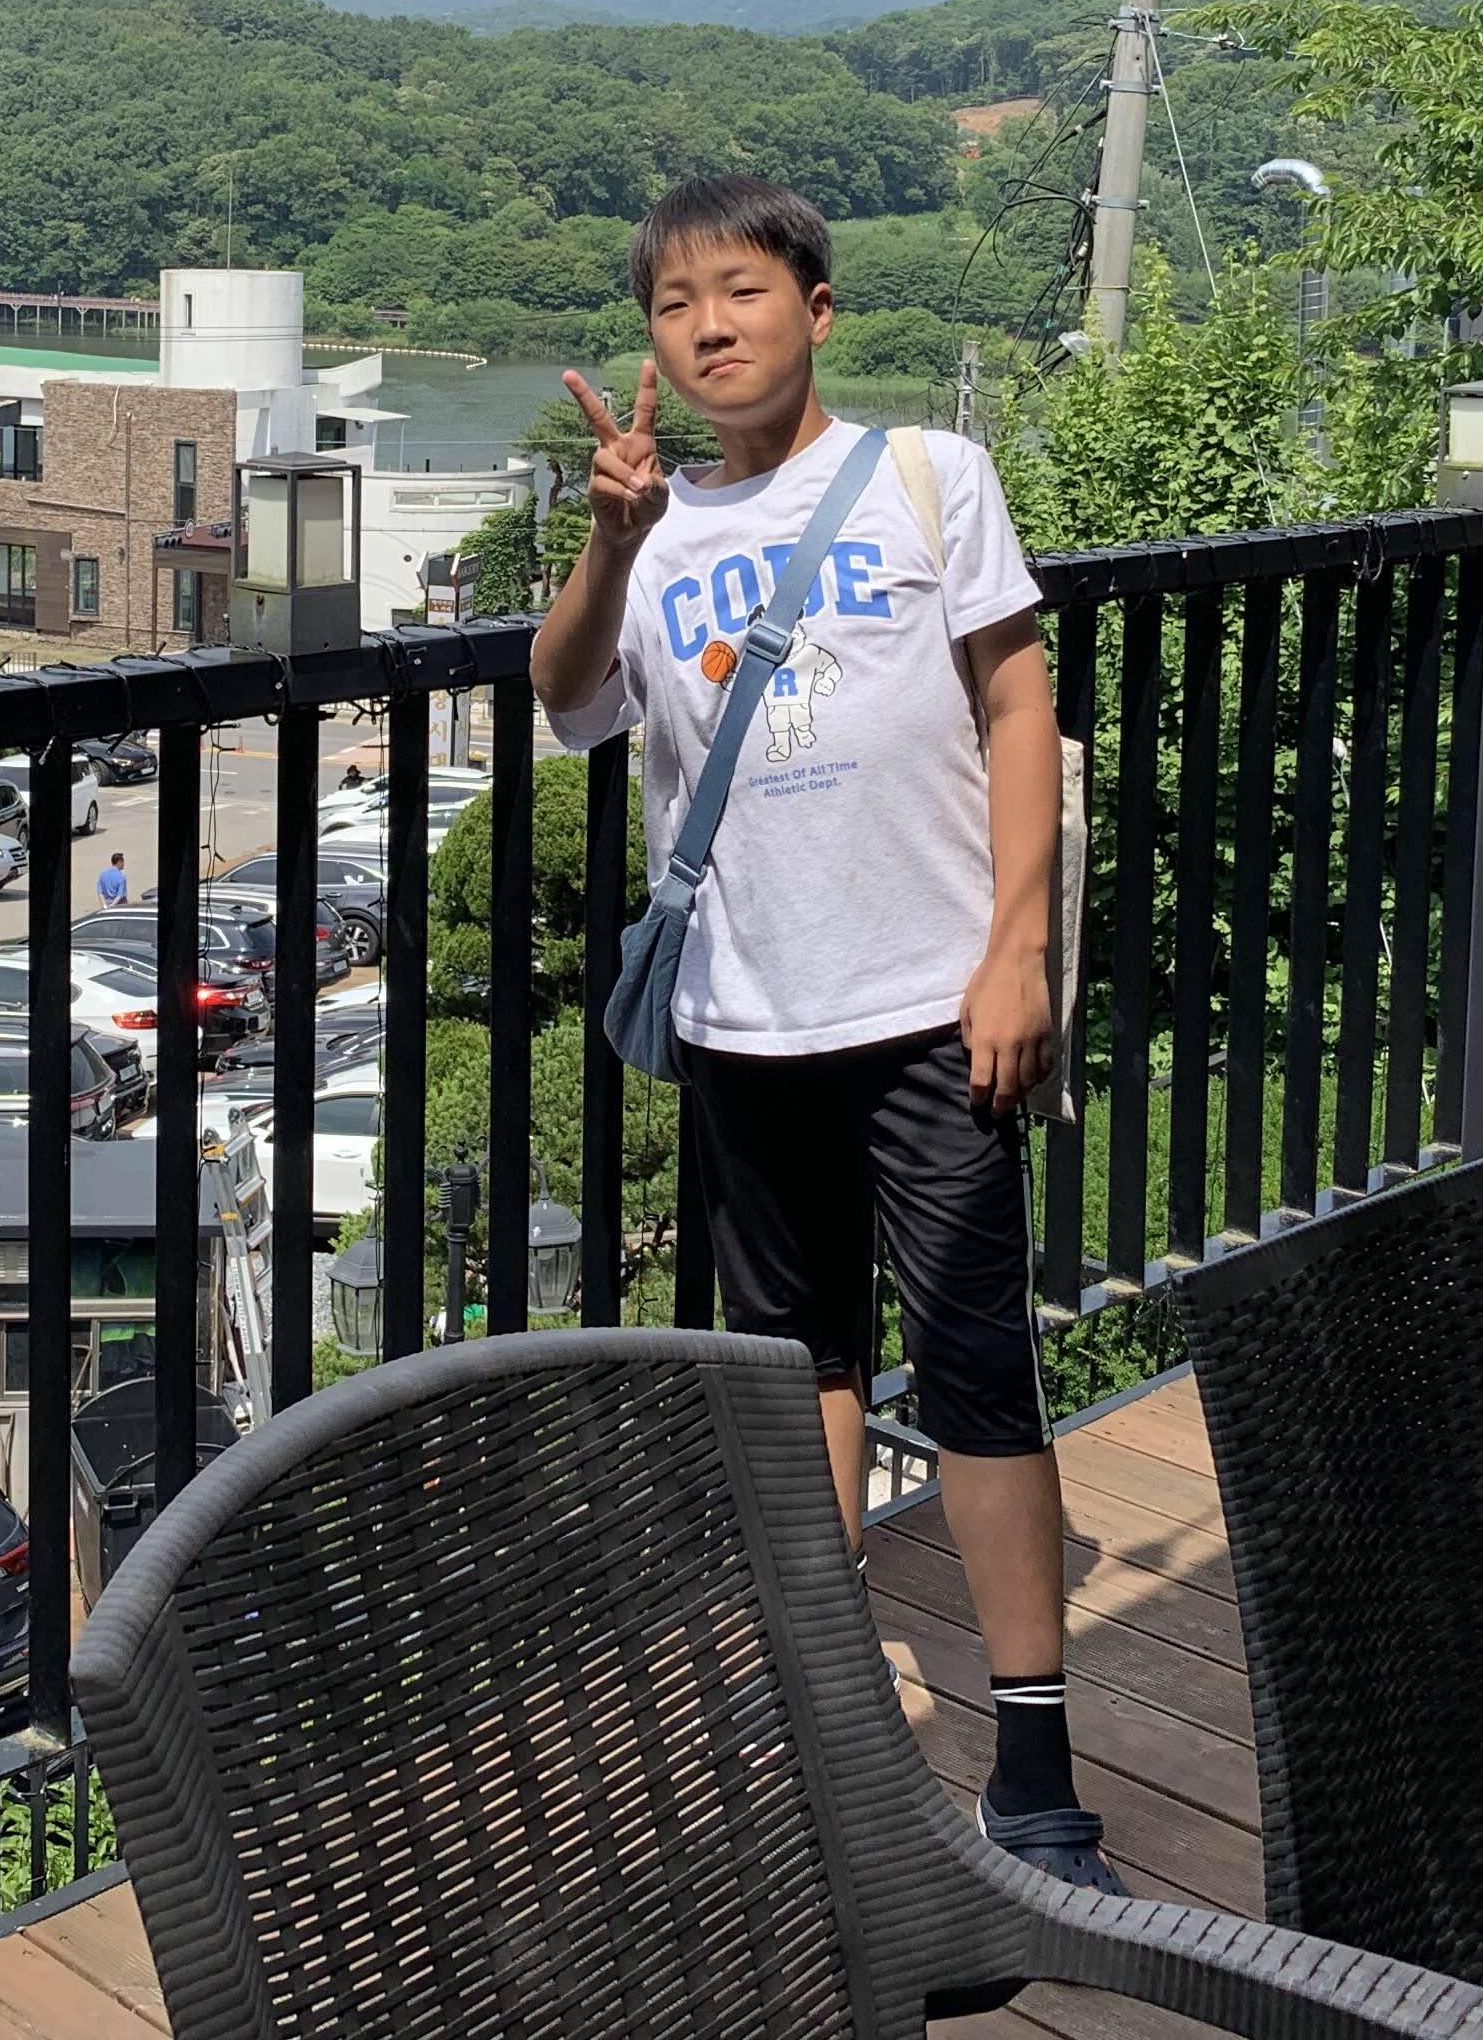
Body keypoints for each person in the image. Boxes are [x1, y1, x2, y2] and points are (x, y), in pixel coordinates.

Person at [526, 173, 1114, 1896]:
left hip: (931, 1006)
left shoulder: (932, 473)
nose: (707, 326)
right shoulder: (653, 529)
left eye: (741, 291)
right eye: (673, 304)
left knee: (981, 1367)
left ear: (817, 308)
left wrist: (1016, 952)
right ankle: (829, 1726)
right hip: (743, 1015)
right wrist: (609, 536)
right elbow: (566, 701)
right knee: (805, 1373)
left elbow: (1018, 701)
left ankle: (1034, 1768)